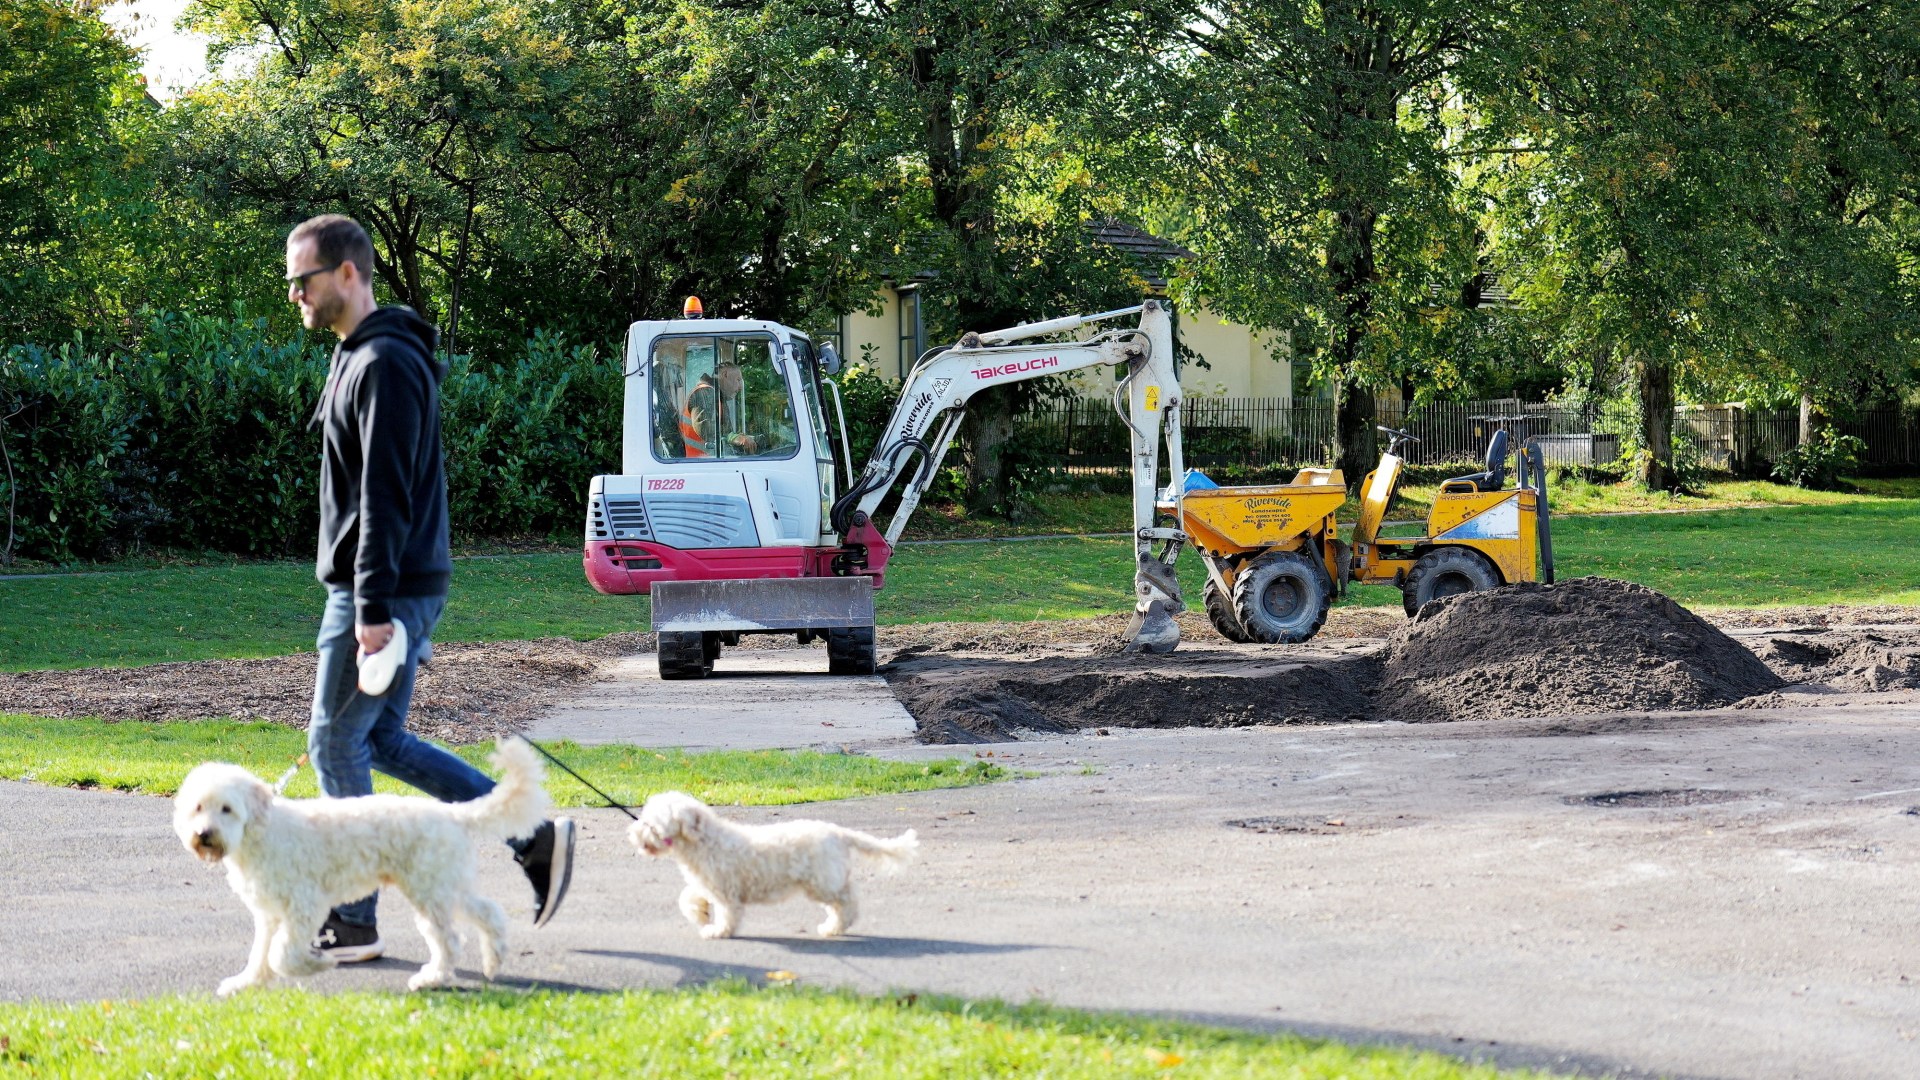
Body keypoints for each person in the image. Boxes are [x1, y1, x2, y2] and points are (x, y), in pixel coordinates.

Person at [288, 214, 575, 963]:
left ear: (347, 274)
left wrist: (373, 606)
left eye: (304, 280)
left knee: (334, 739)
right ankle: (527, 829)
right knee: (376, 738)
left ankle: (351, 914)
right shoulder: (358, 355)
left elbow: (386, 495)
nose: (296, 295)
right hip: (386, 582)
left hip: (378, 586)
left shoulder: (384, 360)